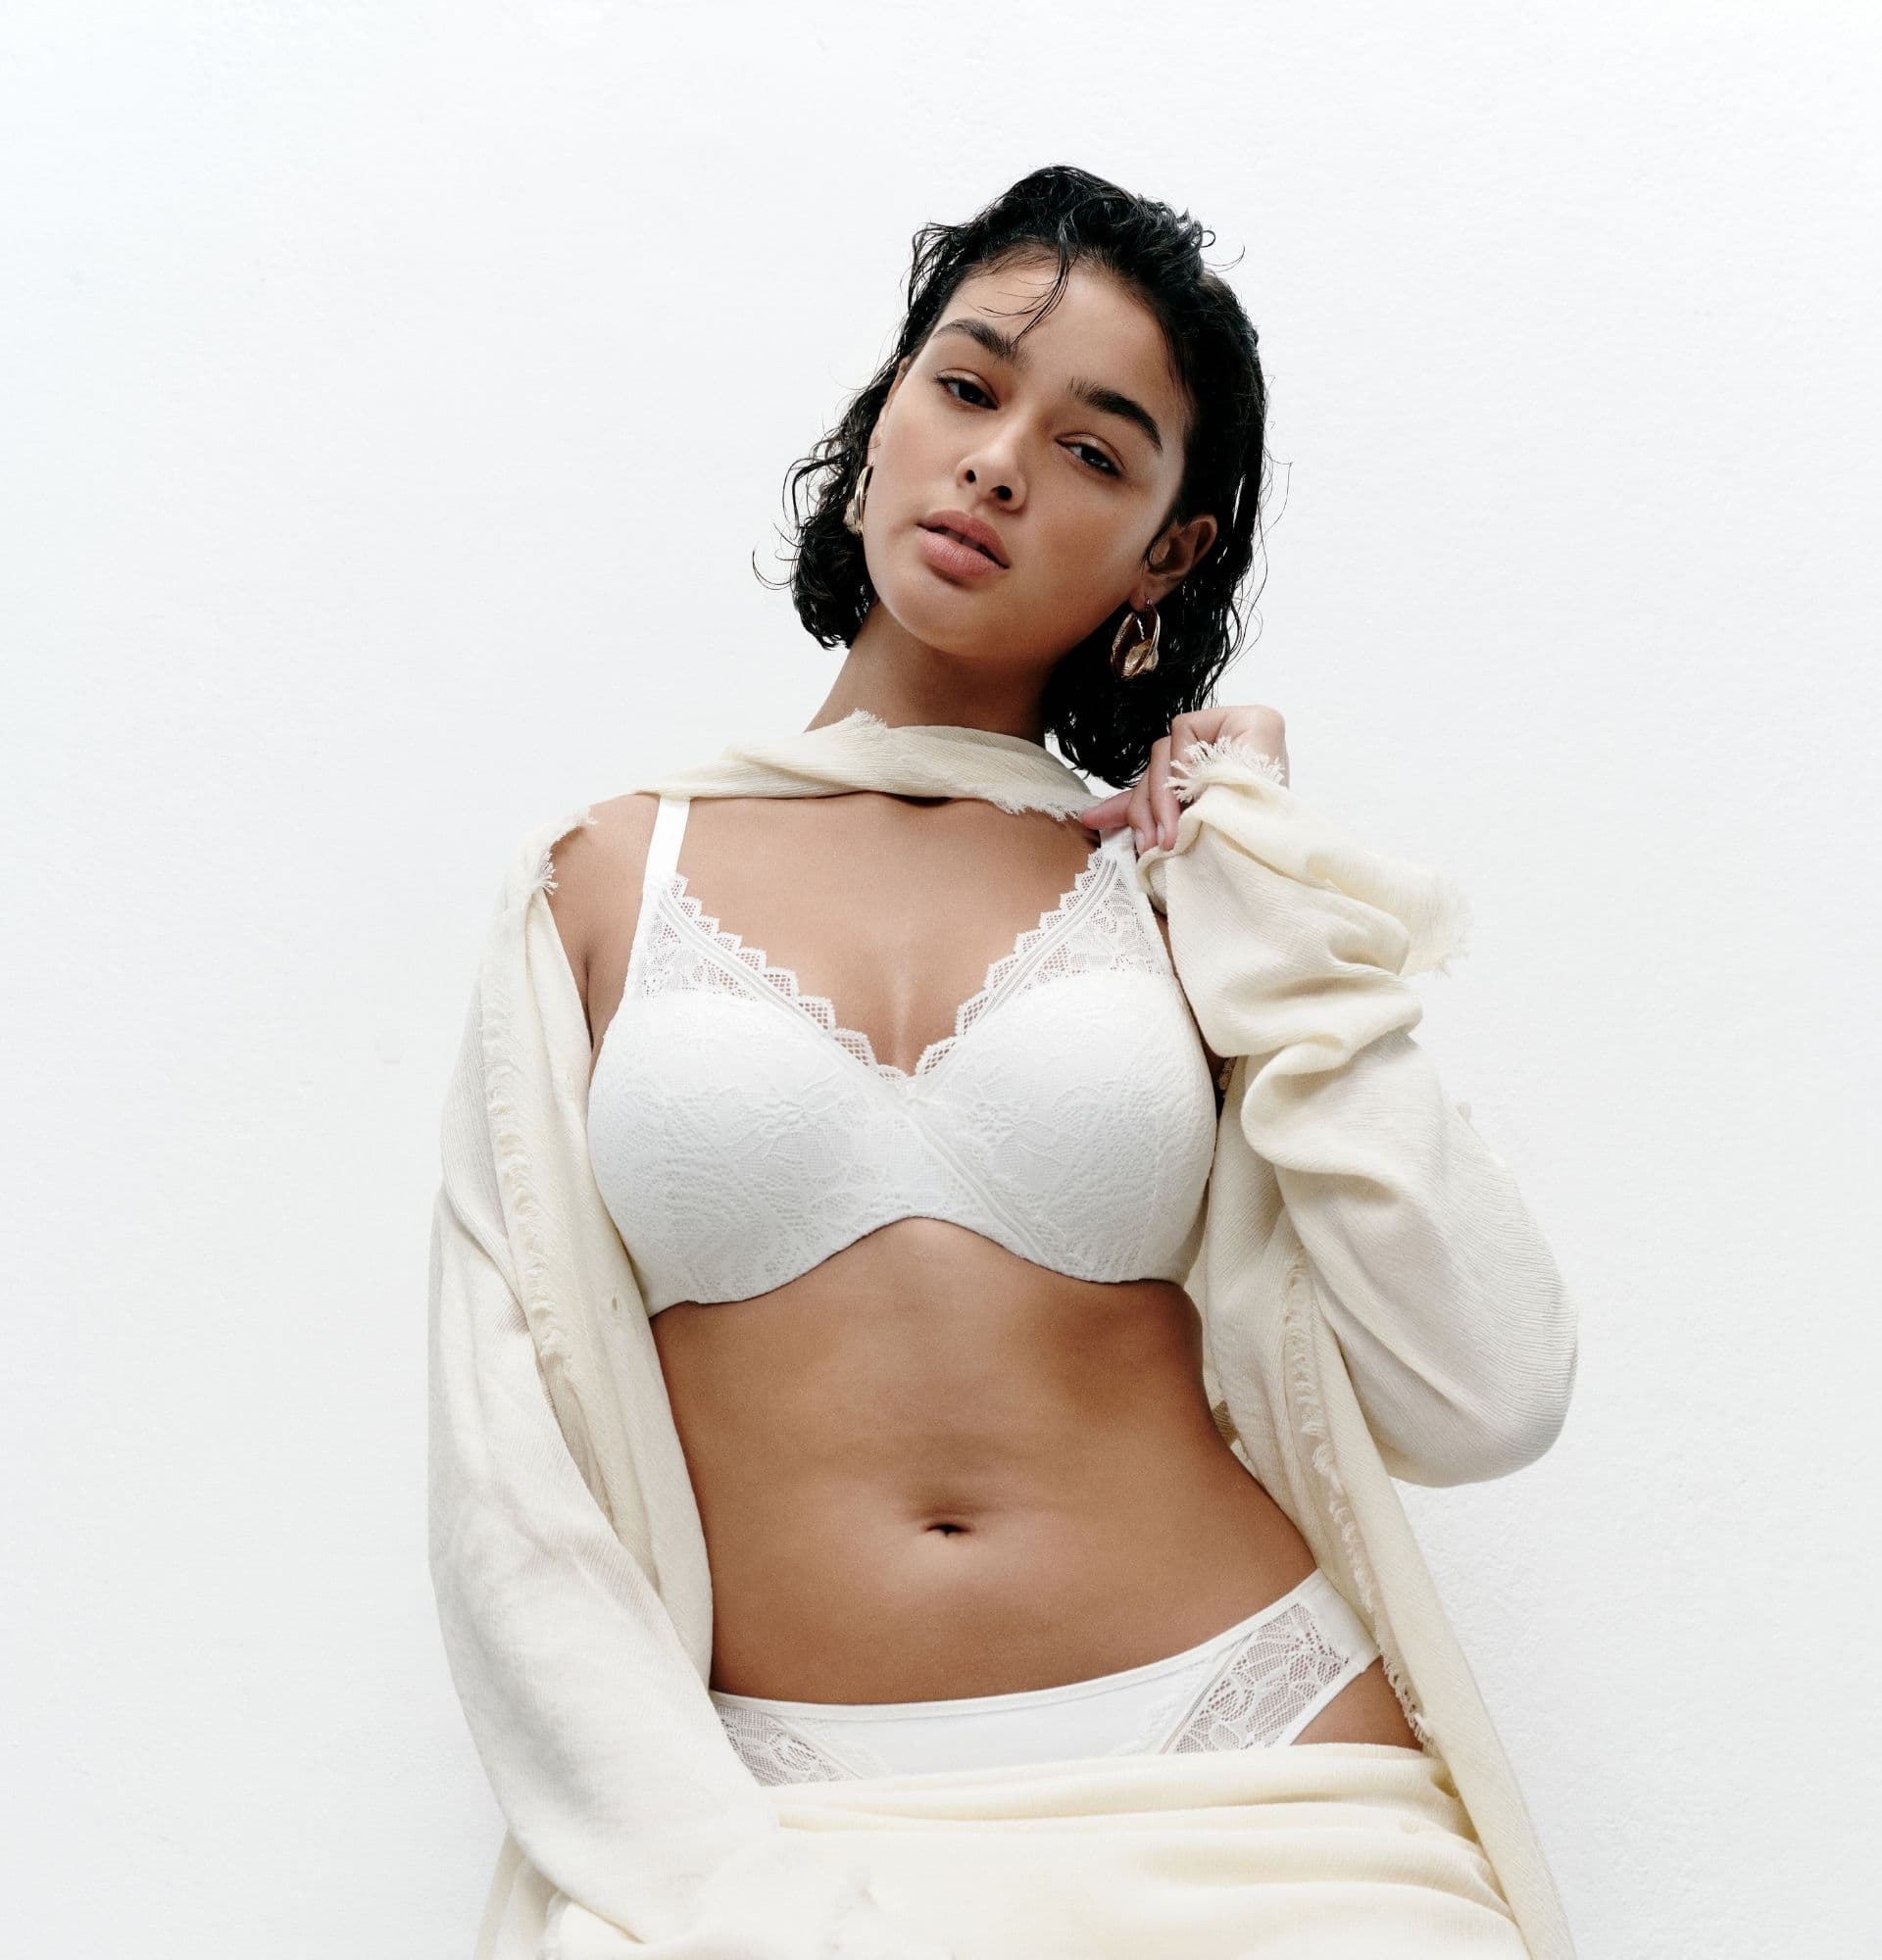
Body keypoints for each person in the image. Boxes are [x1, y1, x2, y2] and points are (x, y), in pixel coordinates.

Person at [428, 166, 1580, 1958]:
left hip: (1263, 1786)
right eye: (966, 388)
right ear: (883, 415)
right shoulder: (596, 885)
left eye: (1098, 452)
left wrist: (1269, 889)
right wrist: (731, 1900)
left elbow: (1486, 1389)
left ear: (1166, 554)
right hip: (787, 1822)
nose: (999, 463)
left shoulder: (1181, 898)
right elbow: (513, 1497)